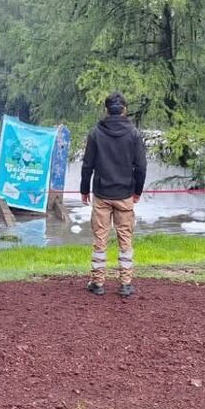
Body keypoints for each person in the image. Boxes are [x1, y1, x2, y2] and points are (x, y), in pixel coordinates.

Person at [80, 92, 147, 297]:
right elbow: (141, 167)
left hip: (101, 193)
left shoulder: (95, 133)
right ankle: (126, 283)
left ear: (106, 110)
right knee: (125, 238)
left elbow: (87, 165)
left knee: (100, 238)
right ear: (124, 110)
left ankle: (97, 282)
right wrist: (137, 191)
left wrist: (84, 189)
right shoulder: (134, 134)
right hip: (125, 193)